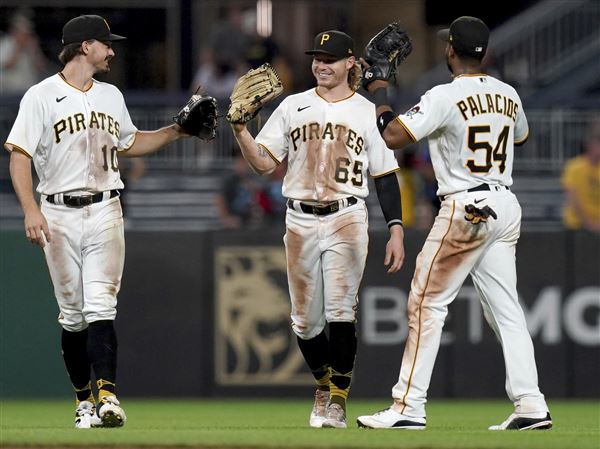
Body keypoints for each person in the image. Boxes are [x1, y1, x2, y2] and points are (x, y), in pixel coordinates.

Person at [356, 16, 552, 431]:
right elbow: (519, 137)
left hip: (466, 207)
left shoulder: (445, 95)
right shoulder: (509, 94)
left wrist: (379, 90)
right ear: (488, 53)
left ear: (450, 50)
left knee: (427, 302)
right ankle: (531, 404)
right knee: (507, 312)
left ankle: (408, 406)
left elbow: (393, 136)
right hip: (504, 204)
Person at [4, 15, 192, 429]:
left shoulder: (111, 95)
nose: (111, 50)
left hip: (106, 206)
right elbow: (19, 155)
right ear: (85, 46)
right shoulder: (40, 96)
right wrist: (30, 209)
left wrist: (176, 131)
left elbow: (130, 142)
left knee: (101, 306)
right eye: (106, 44)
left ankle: (108, 396)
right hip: (57, 211)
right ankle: (83, 401)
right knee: (72, 315)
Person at [230, 30, 405, 429]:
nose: (321, 65)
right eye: (316, 58)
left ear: (350, 64)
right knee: (305, 322)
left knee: (341, 310)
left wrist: (395, 228)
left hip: (347, 215)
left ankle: (338, 400)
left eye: (330, 58)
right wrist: (241, 130)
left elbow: (385, 175)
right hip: (300, 218)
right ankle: (325, 384)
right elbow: (263, 163)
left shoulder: (366, 110)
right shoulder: (293, 106)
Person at [561, 119, 600, 233]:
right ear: (590, 145)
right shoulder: (574, 167)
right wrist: (590, 223)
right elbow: (573, 200)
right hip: (577, 228)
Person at [0, 11, 49, 94]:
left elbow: (41, 67)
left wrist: (34, 50)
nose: (25, 35)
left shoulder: (30, 45)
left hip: (28, 89)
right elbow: (6, 66)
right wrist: (18, 49)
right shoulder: (6, 43)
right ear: (14, 31)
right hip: (9, 90)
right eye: (22, 32)